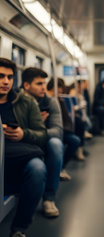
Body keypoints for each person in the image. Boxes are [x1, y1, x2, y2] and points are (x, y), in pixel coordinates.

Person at [0, 58, 47, 237]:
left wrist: (23, 134)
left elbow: (42, 135)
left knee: (37, 168)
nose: (6, 82)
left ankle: (19, 228)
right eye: (1, 76)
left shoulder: (26, 102)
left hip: (19, 158)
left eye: (10, 77)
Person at [22, 67, 63, 218]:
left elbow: (57, 131)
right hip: (22, 143)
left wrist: (35, 128)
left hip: (42, 142)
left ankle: (49, 198)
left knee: (56, 144)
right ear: (26, 86)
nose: (44, 87)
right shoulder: (18, 100)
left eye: (44, 83)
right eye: (39, 84)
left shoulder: (50, 102)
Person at [47, 78, 82, 179]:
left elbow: (65, 117)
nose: (61, 92)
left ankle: (61, 167)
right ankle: (58, 169)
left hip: (61, 128)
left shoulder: (59, 100)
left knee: (75, 140)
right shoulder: (47, 100)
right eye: (59, 90)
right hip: (51, 129)